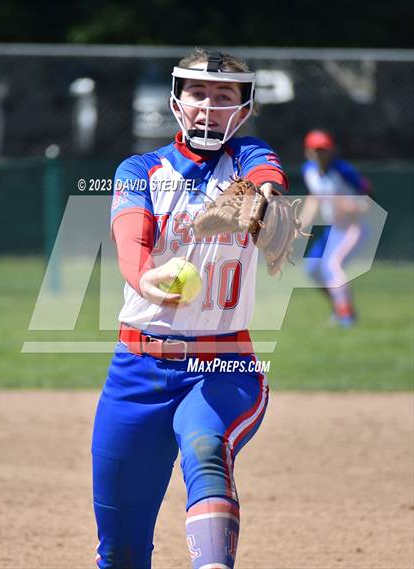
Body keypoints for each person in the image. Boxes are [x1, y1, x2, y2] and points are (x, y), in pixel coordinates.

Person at [91, 48, 289, 569]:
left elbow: (264, 168)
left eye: (224, 96)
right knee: (122, 549)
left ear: (243, 107)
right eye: (197, 93)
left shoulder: (248, 159)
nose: (209, 106)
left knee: (205, 446)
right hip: (136, 371)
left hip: (223, 366)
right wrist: (145, 276)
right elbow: (130, 241)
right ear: (178, 101)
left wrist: (266, 193)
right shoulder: (140, 169)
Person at [299, 129, 372, 327]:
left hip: (352, 226)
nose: (320, 154)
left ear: (331, 151)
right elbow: (314, 198)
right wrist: (301, 223)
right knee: (313, 269)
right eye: (316, 150)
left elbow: (367, 198)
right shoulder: (309, 171)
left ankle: (346, 317)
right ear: (308, 152)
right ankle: (339, 306)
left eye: (324, 149)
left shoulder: (343, 170)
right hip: (333, 228)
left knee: (333, 266)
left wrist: (354, 206)